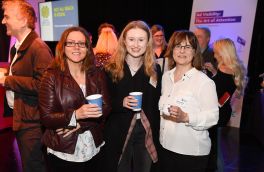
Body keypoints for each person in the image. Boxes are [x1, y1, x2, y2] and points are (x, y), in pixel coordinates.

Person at [38, 26, 111, 172]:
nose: (76, 47)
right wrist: (76, 115)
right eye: (71, 43)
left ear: (87, 47)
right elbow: (46, 118)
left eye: (81, 43)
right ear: (63, 47)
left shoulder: (96, 73)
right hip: (63, 148)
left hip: (93, 145)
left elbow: (106, 107)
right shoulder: (51, 76)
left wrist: (81, 123)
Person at [0, 0, 53, 171]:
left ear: (23, 20)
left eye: (6, 16)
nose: (2, 21)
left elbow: (43, 86)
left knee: (33, 167)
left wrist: (6, 80)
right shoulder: (17, 47)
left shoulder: (39, 48)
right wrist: (7, 75)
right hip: (23, 118)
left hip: (33, 123)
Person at [103, 20, 162, 172]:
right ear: (124, 41)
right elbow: (104, 103)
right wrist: (120, 103)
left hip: (145, 130)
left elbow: (156, 102)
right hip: (119, 130)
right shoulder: (111, 69)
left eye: (141, 40)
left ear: (148, 42)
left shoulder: (154, 69)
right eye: (131, 39)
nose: (136, 45)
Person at [158, 30, 219, 172]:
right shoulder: (166, 77)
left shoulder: (204, 82)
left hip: (191, 153)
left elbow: (213, 117)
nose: (182, 51)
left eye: (187, 47)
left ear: (194, 51)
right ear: (172, 49)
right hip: (165, 147)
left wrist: (186, 117)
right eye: (178, 46)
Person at [205, 38, 247, 172]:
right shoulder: (234, 68)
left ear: (223, 52)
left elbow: (217, 90)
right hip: (223, 109)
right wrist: (215, 73)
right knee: (215, 145)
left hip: (218, 111)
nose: (214, 54)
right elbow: (225, 89)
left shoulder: (223, 68)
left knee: (213, 147)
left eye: (216, 51)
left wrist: (210, 78)